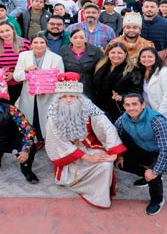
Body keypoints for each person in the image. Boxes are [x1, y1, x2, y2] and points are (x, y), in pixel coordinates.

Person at [45, 72, 127, 208]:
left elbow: (105, 126)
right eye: (64, 96)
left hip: (90, 147)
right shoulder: (53, 112)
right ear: (58, 98)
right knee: (72, 173)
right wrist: (88, 158)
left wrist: (114, 152)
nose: (69, 100)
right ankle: (80, 184)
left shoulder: (87, 105)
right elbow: (57, 142)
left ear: (79, 96)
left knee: (106, 165)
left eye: (72, 96)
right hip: (69, 152)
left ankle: (100, 197)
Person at [115, 93, 167, 215]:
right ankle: (146, 176)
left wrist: (154, 171)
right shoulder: (122, 120)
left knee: (154, 174)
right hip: (144, 147)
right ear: (123, 106)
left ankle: (157, 200)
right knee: (120, 163)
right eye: (127, 105)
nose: (131, 108)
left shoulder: (156, 120)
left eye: (135, 104)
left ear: (143, 104)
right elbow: (116, 138)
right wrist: (120, 156)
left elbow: (166, 151)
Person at [13, 33, 65, 141]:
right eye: (35, 42)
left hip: (47, 96)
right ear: (31, 45)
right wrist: (27, 71)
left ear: (46, 44)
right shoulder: (23, 55)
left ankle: (47, 140)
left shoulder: (56, 58)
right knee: (30, 117)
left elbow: (60, 79)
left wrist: (45, 88)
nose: (39, 45)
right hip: (28, 95)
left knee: (46, 119)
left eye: (42, 42)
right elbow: (16, 76)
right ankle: (31, 140)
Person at [93, 42, 142, 122]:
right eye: (113, 52)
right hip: (99, 108)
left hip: (118, 110)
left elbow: (137, 91)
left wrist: (121, 97)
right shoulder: (101, 65)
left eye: (120, 53)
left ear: (125, 54)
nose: (116, 55)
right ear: (108, 53)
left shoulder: (132, 70)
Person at [137, 47, 167, 130]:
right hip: (149, 111)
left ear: (156, 58)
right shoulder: (140, 72)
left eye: (150, 57)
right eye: (143, 57)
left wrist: (160, 115)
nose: (146, 59)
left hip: (166, 112)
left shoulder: (165, 72)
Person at [0, 22, 30, 104]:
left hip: (23, 82)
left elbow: (30, 62)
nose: (5, 34)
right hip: (2, 84)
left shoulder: (25, 44)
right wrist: (0, 73)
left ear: (13, 30)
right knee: (5, 106)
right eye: (2, 32)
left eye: (7, 30)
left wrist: (14, 74)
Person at [59, 28, 104, 100]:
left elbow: (103, 66)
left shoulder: (96, 51)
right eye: (75, 37)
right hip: (69, 85)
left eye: (81, 37)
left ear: (86, 39)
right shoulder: (63, 50)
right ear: (70, 39)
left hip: (89, 85)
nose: (78, 40)